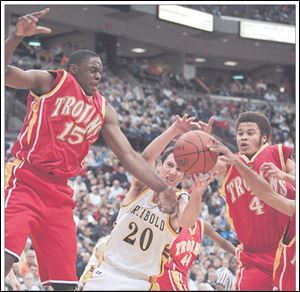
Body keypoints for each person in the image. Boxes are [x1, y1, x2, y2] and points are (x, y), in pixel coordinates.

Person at [5, 8, 179, 290]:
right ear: (74, 70)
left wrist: (161, 187)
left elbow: (128, 156)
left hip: (60, 192)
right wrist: (14, 37)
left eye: (101, 70)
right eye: (93, 69)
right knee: (6, 254)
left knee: (65, 283)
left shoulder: (103, 109)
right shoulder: (53, 81)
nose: (99, 75)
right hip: (26, 178)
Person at [79, 115, 217, 290]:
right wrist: (174, 129)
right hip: (107, 271)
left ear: (184, 175)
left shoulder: (181, 200)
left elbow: (187, 222)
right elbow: (144, 159)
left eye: (179, 169)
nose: (173, 172)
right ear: (159, 166)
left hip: (140, 282)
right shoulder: (141, 187)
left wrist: (197, 193)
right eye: (169, 165)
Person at [206, 112, 295, 291]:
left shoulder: (278, 153)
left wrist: (284, 175)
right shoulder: (229, 163)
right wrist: (202, 145)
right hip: (254, 256)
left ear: (264, 137)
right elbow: (205, 163)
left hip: (287, 247)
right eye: (240, 133)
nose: (244, 137)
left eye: (250, 133)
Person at [154, 218, 236, 290]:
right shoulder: (174, 221)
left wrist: (238, 253)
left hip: (181, 276)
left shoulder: (202, 225)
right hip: (167, 272)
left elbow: (222, 242)